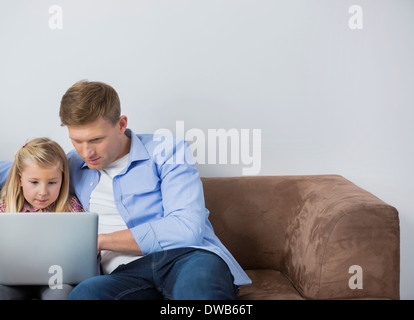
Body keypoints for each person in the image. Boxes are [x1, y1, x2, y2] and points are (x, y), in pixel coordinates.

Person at [58, 80, 251, 300]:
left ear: (121, 125)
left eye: (96, 139)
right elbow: (22, 176)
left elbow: (186, 228)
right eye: (77, 141)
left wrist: (100, 241)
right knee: (85, 294)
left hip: (186, 258)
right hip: (123, 275)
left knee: (197, 292)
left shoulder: (168, 150)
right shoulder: (70, 164)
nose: (87, 152)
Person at [0, 137, 84, 300]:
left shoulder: (71, 207)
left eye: (52, 182)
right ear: (20, 180)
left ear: (62, 179)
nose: (43, 191)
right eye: (34, 182)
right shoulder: (4, 207)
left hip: (56, 276)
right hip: (12, 278)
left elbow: (79, 249)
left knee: (61, 294)